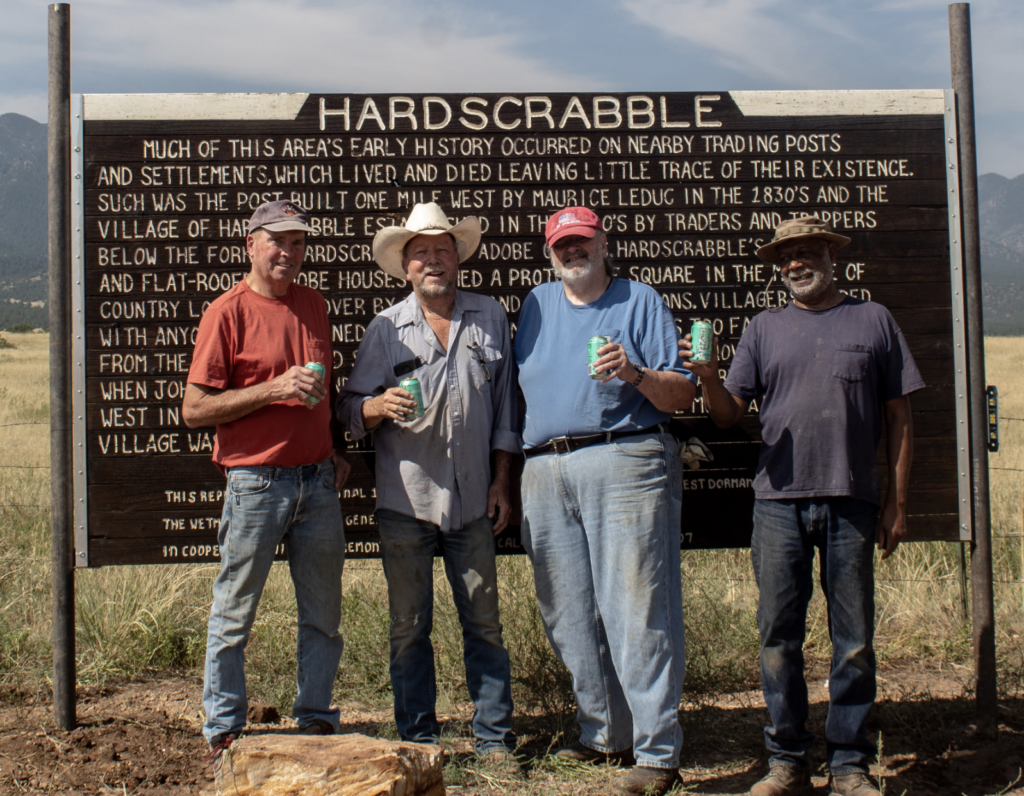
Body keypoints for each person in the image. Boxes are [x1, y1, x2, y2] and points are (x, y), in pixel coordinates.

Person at [680, 216, 924, 796]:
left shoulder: (874, 319)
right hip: (777, 504)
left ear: (831, 257)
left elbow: (899, 417)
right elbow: (727, 415)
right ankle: (787, 760)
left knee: (854, 640)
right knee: (777, 638)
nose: (796, 264)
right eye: (786, 257)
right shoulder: (763, 328)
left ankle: (849, 764)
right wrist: (709, 379)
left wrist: (897, 504)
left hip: (852, 502)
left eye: (808, 252)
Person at [515, 206, 697, 796]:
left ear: (603, 243)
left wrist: (634, 373)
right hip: (544, 467)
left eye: (582, 241)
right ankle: (604, 734)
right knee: (567, 612)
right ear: (550, 252)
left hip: (625, 458)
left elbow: (681, 394)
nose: (573, 251)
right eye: (562, 244)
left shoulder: (639, 300)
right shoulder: (536, 304)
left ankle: (657, 751)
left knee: (635, 609)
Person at [338, 202, 519, 764]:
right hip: (406, 502)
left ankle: (494, 740)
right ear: (406, 266)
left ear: (458, 258)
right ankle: (418, 741)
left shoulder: (491, 316)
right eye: (422, 253)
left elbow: (507, 410)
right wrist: (375, 407)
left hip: (475, 501)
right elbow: (348, 408)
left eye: (443, 249)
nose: (433, 261)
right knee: (408, 628)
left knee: (484, 625)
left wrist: (502, 482)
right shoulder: (385, 328)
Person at [183, 200, 351, 759]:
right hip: (255, 482)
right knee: (235, 612)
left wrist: (336, 448)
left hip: (317, 483)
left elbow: (326, 389)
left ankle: (316, 719)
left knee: (323, 615)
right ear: (250, 244)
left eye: (298, 243)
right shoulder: (226, 312)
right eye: (277, 241)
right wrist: (274, 389)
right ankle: (224, 728)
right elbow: (194, 409)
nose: (288, 252)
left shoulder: (314, 305)